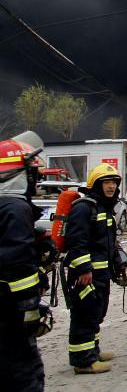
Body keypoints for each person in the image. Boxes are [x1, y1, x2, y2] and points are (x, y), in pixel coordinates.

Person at [0, 131, 47, 391]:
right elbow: (17, 265)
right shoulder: (15, 209)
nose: (36, 179)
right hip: (10, 309)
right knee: (24, 370)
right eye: (32, 174)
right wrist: (30, 306)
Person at [65, 162, 122, 374]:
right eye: (106, 182)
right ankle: (83, 361)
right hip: (86, 275)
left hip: (100, 273)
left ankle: (93, 351)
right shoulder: (83, 208)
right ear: (96, 184)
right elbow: (76, 242)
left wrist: (117, 261)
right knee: (84, 314)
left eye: (114, 183)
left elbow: (107, 243)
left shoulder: (104, 208)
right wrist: (83, 270)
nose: (111, 187)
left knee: (97, 312)